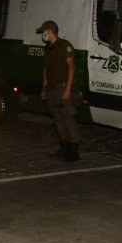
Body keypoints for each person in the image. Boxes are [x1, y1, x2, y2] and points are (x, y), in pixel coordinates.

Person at [37, 20, 81, 162]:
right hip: (52, 88)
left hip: (63, 87)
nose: (42, 35)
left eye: (44, 32)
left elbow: (71, 67)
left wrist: (68, 89)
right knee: (57, 119)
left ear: (50, 31)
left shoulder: (64, 45)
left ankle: (74, 150)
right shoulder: (48, 48)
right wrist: (44, 88)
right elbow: (46, 70)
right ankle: (64, 147)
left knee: (68, 118)